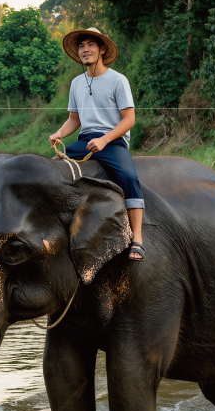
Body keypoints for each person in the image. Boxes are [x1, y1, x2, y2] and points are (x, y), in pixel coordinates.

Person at [49, 27, 145, 261]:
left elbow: (129, 119)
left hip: (112, 141)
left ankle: (138, 239)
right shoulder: (76, 83)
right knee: (50, 168)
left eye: (90, 45)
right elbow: (75, 119)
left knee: (130, 178)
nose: (85, 50)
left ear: (102, 49)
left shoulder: (117, 80)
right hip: (85, 141)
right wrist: (59, 134)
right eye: (81, 46)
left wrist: (104, 139)